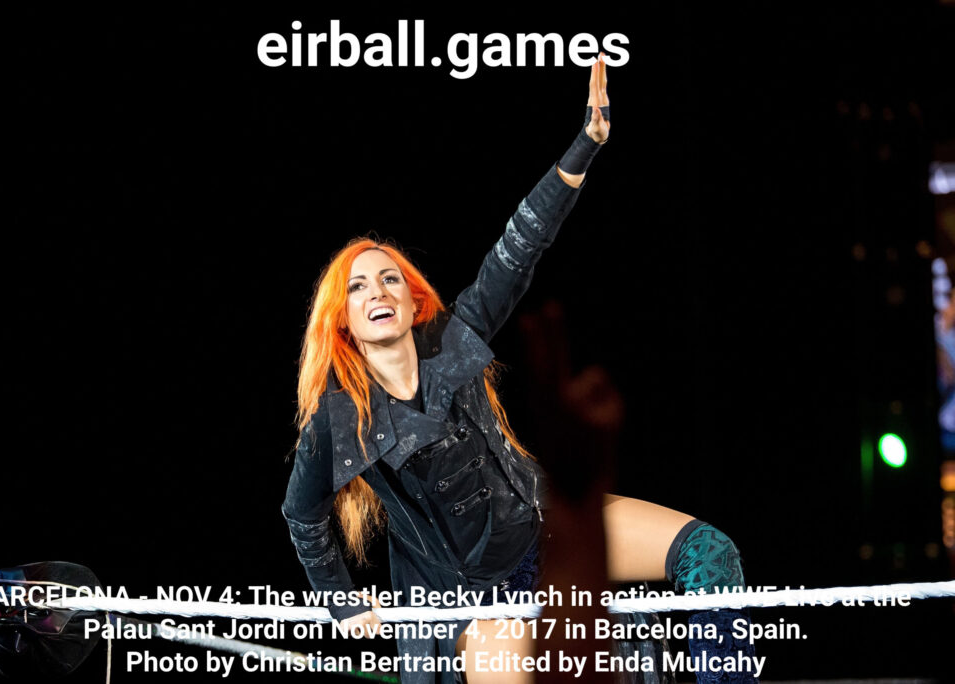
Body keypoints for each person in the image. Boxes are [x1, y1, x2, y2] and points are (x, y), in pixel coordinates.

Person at [283, 56, 758, 684]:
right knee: (558, 665)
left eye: (390, 278)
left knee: (711, 554)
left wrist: (585, 145)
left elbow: (519, 247)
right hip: (464, 599)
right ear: (343, 319)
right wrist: (340, 600)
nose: (378, 290)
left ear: (412, 301)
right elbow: (302, 514)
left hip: (540, 527)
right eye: (358, 286)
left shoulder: (454, 339)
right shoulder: (341, 416)